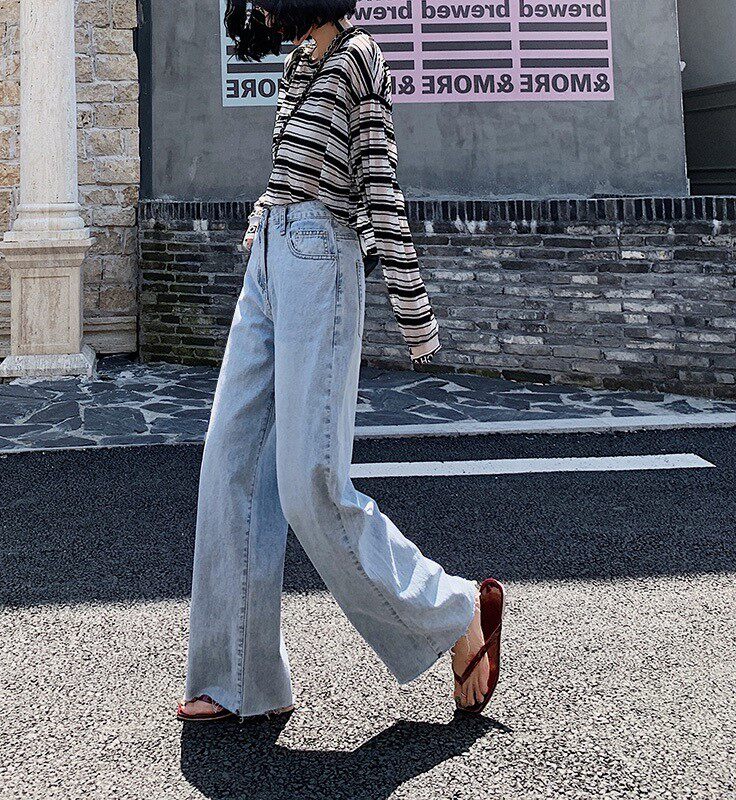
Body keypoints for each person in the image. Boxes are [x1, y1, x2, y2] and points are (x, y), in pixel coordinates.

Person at [177, 0, 506, 723]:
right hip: (269, 261)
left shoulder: (360, 57)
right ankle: (239, 682)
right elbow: (291, 171)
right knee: (228, 460)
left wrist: (414, 313)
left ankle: (453, 613)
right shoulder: (303, 61)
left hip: (320, 261)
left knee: (309, 486)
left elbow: (380, 187)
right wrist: (263, 238)